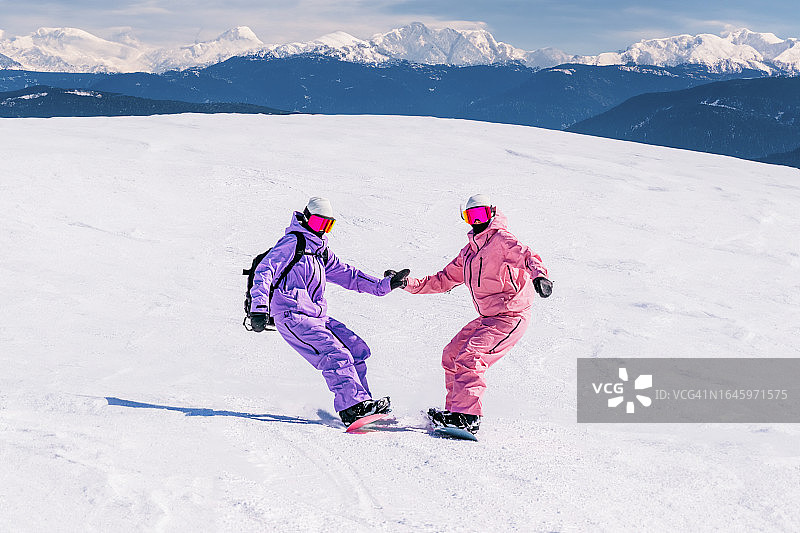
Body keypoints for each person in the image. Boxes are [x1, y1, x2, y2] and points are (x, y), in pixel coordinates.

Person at [249, 197, 410, 427]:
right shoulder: (292, 243)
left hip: (315, 316)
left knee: (356, 348)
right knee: (335, 354)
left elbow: (349, 275)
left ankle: (363, 402)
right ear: (305, 219)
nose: (322, 230)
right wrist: (259, 309)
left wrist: (384, 285)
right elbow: (265, 271)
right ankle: (351, 408)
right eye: (317, 223)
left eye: (327, 225)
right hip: (291, 315)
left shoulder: (320, 251)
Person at [401, 194, 552, 434]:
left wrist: (540, 276)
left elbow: (527, 256)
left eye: (481, 214)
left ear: (491, 213)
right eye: (471, 216)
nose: (477, 221)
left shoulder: (502, 240)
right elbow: (444, 279)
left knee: (471, 356)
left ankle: (468, 416)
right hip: (489, 318)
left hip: (511, 314)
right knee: (452, 354)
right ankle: (454, 411)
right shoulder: (469, 253)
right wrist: (407, 283)